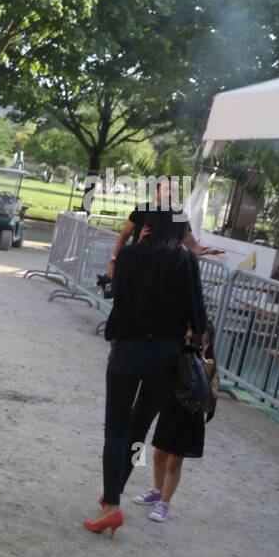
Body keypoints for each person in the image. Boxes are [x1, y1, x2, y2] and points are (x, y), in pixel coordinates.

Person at [86, 209, 208, 538]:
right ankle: (114, 492)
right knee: (139, 430)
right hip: (166, 357)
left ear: (149, 228)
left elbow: (118, 295)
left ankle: (111, 503)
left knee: (115, 431)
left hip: (128, 350)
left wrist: (135, 250)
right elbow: (199, 320)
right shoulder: (186, 262)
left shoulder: (128, 257)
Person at [135, 330, 217, 523]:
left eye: (200, 338)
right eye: (191, 337)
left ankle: (165, 502)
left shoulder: (208, 362)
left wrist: (207, 377)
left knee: (175, 462)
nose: (194, 341)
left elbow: (212, 389)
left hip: (190, 416)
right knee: (158, 455)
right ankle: (156, 491)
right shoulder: (180, 353)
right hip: (171, 409)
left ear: (209, 340)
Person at [106, 178, 223, 280]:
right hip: (137, 267)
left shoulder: (179, 215)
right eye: (166, 189)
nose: (170, 194)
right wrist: (113, 261)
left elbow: (192, 245)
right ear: (157, 191)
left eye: (174, 191)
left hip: (163, 274)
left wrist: (206, 250)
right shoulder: (142, 210)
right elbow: (124, 235)